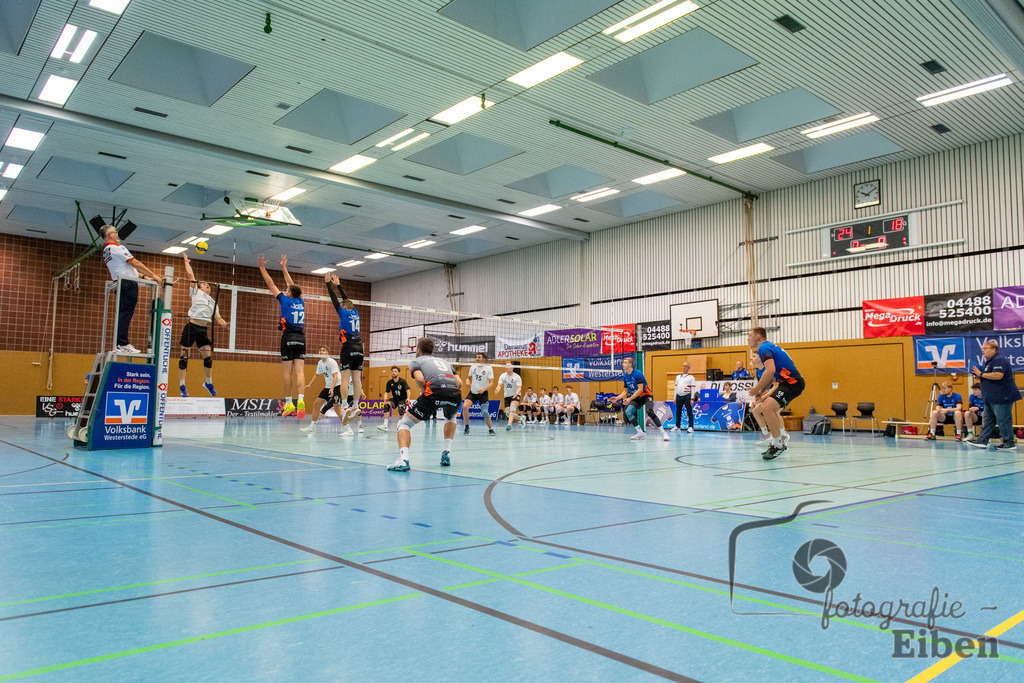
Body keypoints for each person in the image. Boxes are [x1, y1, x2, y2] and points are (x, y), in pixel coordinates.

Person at [387, 337, 463, 471]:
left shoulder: (416, 361)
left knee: (404, 424)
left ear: (418, 349)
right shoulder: (445, 362)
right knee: (451, 417)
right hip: (455, 393)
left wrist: (424, 393)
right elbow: (460, 383)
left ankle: (404, 460)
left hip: (434, 392)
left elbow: (420, 379)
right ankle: (446, 453)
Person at [257, 254, 305, 419]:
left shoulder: (285, 300)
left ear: (289, 293)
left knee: (287, 372)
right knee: (300, 371)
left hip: (288, 337)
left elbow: (271, 283)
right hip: (301, 338)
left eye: (287, 290)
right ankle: (301, 400)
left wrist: (262, 268)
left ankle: (289, 402)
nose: (286, 289)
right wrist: (284, 267)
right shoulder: (301, 301)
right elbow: (291, 284)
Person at [100, 224, 160, 353]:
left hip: (122, 282)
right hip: (128, 284)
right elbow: (135, 263)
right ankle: (122, 343)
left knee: (123, 314)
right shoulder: (117, 248)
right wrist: (154, 275)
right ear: (110, 235)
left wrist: (145, 277)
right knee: (125, 314)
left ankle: (120, 343)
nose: (117, 235)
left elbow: (125, 269)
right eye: (115, 233)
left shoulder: (107, 251)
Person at [748, 327, 805, 460]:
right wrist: (761, 392)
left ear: (758, 336)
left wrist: (756, 389)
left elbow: (770, 371)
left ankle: (779, 444)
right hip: (786, 383)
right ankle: (777, 441)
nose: (748, 338)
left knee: (767, 407)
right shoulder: (768, 347)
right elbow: (772, 378)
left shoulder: (763, 348)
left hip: (793, 382)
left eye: (750, 335)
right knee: (766, 407)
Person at [178, 254, 229, 397]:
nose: (208, 285)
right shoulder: (196, 292)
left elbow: (218, 318)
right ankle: (182, 385)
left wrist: (225, 325)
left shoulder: (213, 302)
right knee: (184, 358)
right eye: (205, 284)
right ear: (199, 287)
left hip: (202, 330)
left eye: (208, 285)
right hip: (191, 327)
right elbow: (190, 275)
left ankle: (208, 382)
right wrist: (186, 262)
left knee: (208, 358)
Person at [966, 340, 1021, 451]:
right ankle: (982, 441)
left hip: (1001, 396)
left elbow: (998, 375)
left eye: (986, 348)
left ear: (993, 350)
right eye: (982, 348)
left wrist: (981, 374)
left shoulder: (999, 360)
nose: (983, 350)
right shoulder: (987, 362)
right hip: (990, 397)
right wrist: (980, 376)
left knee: (1003, 420)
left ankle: (1009, 443)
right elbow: (988, 376)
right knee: (988, 421)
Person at [326, 274, 364, 418]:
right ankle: (355, 405)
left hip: (348, 347)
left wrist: (328, 285)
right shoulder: (356, 312)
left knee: (345, 379)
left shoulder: (342, 311)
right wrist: (339, 285)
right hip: (359, 348)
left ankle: (344, 405)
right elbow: (346, 300)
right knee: (357, 380)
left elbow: (334, 299)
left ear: (343, 307)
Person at [612, 357, 668, 441]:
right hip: (636, 397)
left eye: (625, 362)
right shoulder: (625, 376)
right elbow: (625, 391)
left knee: (649, 411)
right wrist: (617, 398)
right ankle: (640, 433)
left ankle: (664, 433)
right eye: (623, 362)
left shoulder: (638, 373)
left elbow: (640, 389)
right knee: (628, 411)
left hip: (646, 395)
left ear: (630, 364)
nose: (623, 364)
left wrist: (629, 399)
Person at [301, 346, 346, 436]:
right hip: (328, 386)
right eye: (320, 350)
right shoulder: (320, 363)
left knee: (337, 408)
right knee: (316, 404)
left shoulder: (331, 362)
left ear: (328, 353)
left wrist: (332, 388)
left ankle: (347, 428)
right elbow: (317, 375)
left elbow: (335, 376)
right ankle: (312, 427)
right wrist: (310, 384)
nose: (321, 352)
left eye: (323, 350)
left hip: (337, 385)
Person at [462, 352, 495, 435]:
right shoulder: (473, 367)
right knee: (465, 407)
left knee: (485, 412)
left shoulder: (488, 368)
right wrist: (467, 382)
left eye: (479, 357)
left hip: (483, 393)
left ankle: (490, 429)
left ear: (483, 359)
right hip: (473, 392)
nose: (477, 358)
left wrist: (484, 389)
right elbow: (468, 378)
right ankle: (466, 426)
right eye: (476, 357)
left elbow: (491, 383)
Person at [747, 351, 776, 446]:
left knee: (772, 413)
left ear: (760, 358)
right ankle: (766, 434)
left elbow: (775, 386)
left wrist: (764, 397)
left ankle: (779, 436)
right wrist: (757, 398)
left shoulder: (768, 369)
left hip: (775, 395)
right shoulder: (758, 371)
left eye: (754, 356)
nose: (752, 359)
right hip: (766, 396)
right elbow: (761, 387)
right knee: (755, 411)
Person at [379, 366, 411, 432]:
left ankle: (401, 425)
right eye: (392, 371)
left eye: (395, 371)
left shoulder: (402, 381)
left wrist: (408, 398)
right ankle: (385, 425)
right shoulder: (389, 382)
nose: (393, 373)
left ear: (398, 373)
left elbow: (408, 390)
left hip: (402, 399)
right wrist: (385, 399)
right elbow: (386, 392)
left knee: (400, 409)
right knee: (386, 406)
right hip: (394, 399)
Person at [497, 364, 524, 430]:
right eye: (506, 366)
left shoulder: (517, 377)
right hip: (507, 396)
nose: (507, 367)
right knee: (508, 414)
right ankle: (521, 418)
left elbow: (519, 388)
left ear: (512, 368)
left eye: (508, 366)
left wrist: (516, 394)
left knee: (512, 409)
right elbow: (499, 385)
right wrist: (497, 389)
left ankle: (509, 425)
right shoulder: (502, 376)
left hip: (515, 395)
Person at [673, 362, 697, 433]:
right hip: (679, 396)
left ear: (689, 368)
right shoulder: (678, 377)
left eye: (686, 366)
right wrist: (675, 397)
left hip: (687, 396)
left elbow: (693, 388)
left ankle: (691, 427)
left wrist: (692, 398)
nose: (684, 368)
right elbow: (676, 387)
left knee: (689, 411)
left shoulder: (691, 378)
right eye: (683, 366)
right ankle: (677, 426)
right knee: (678, 411)